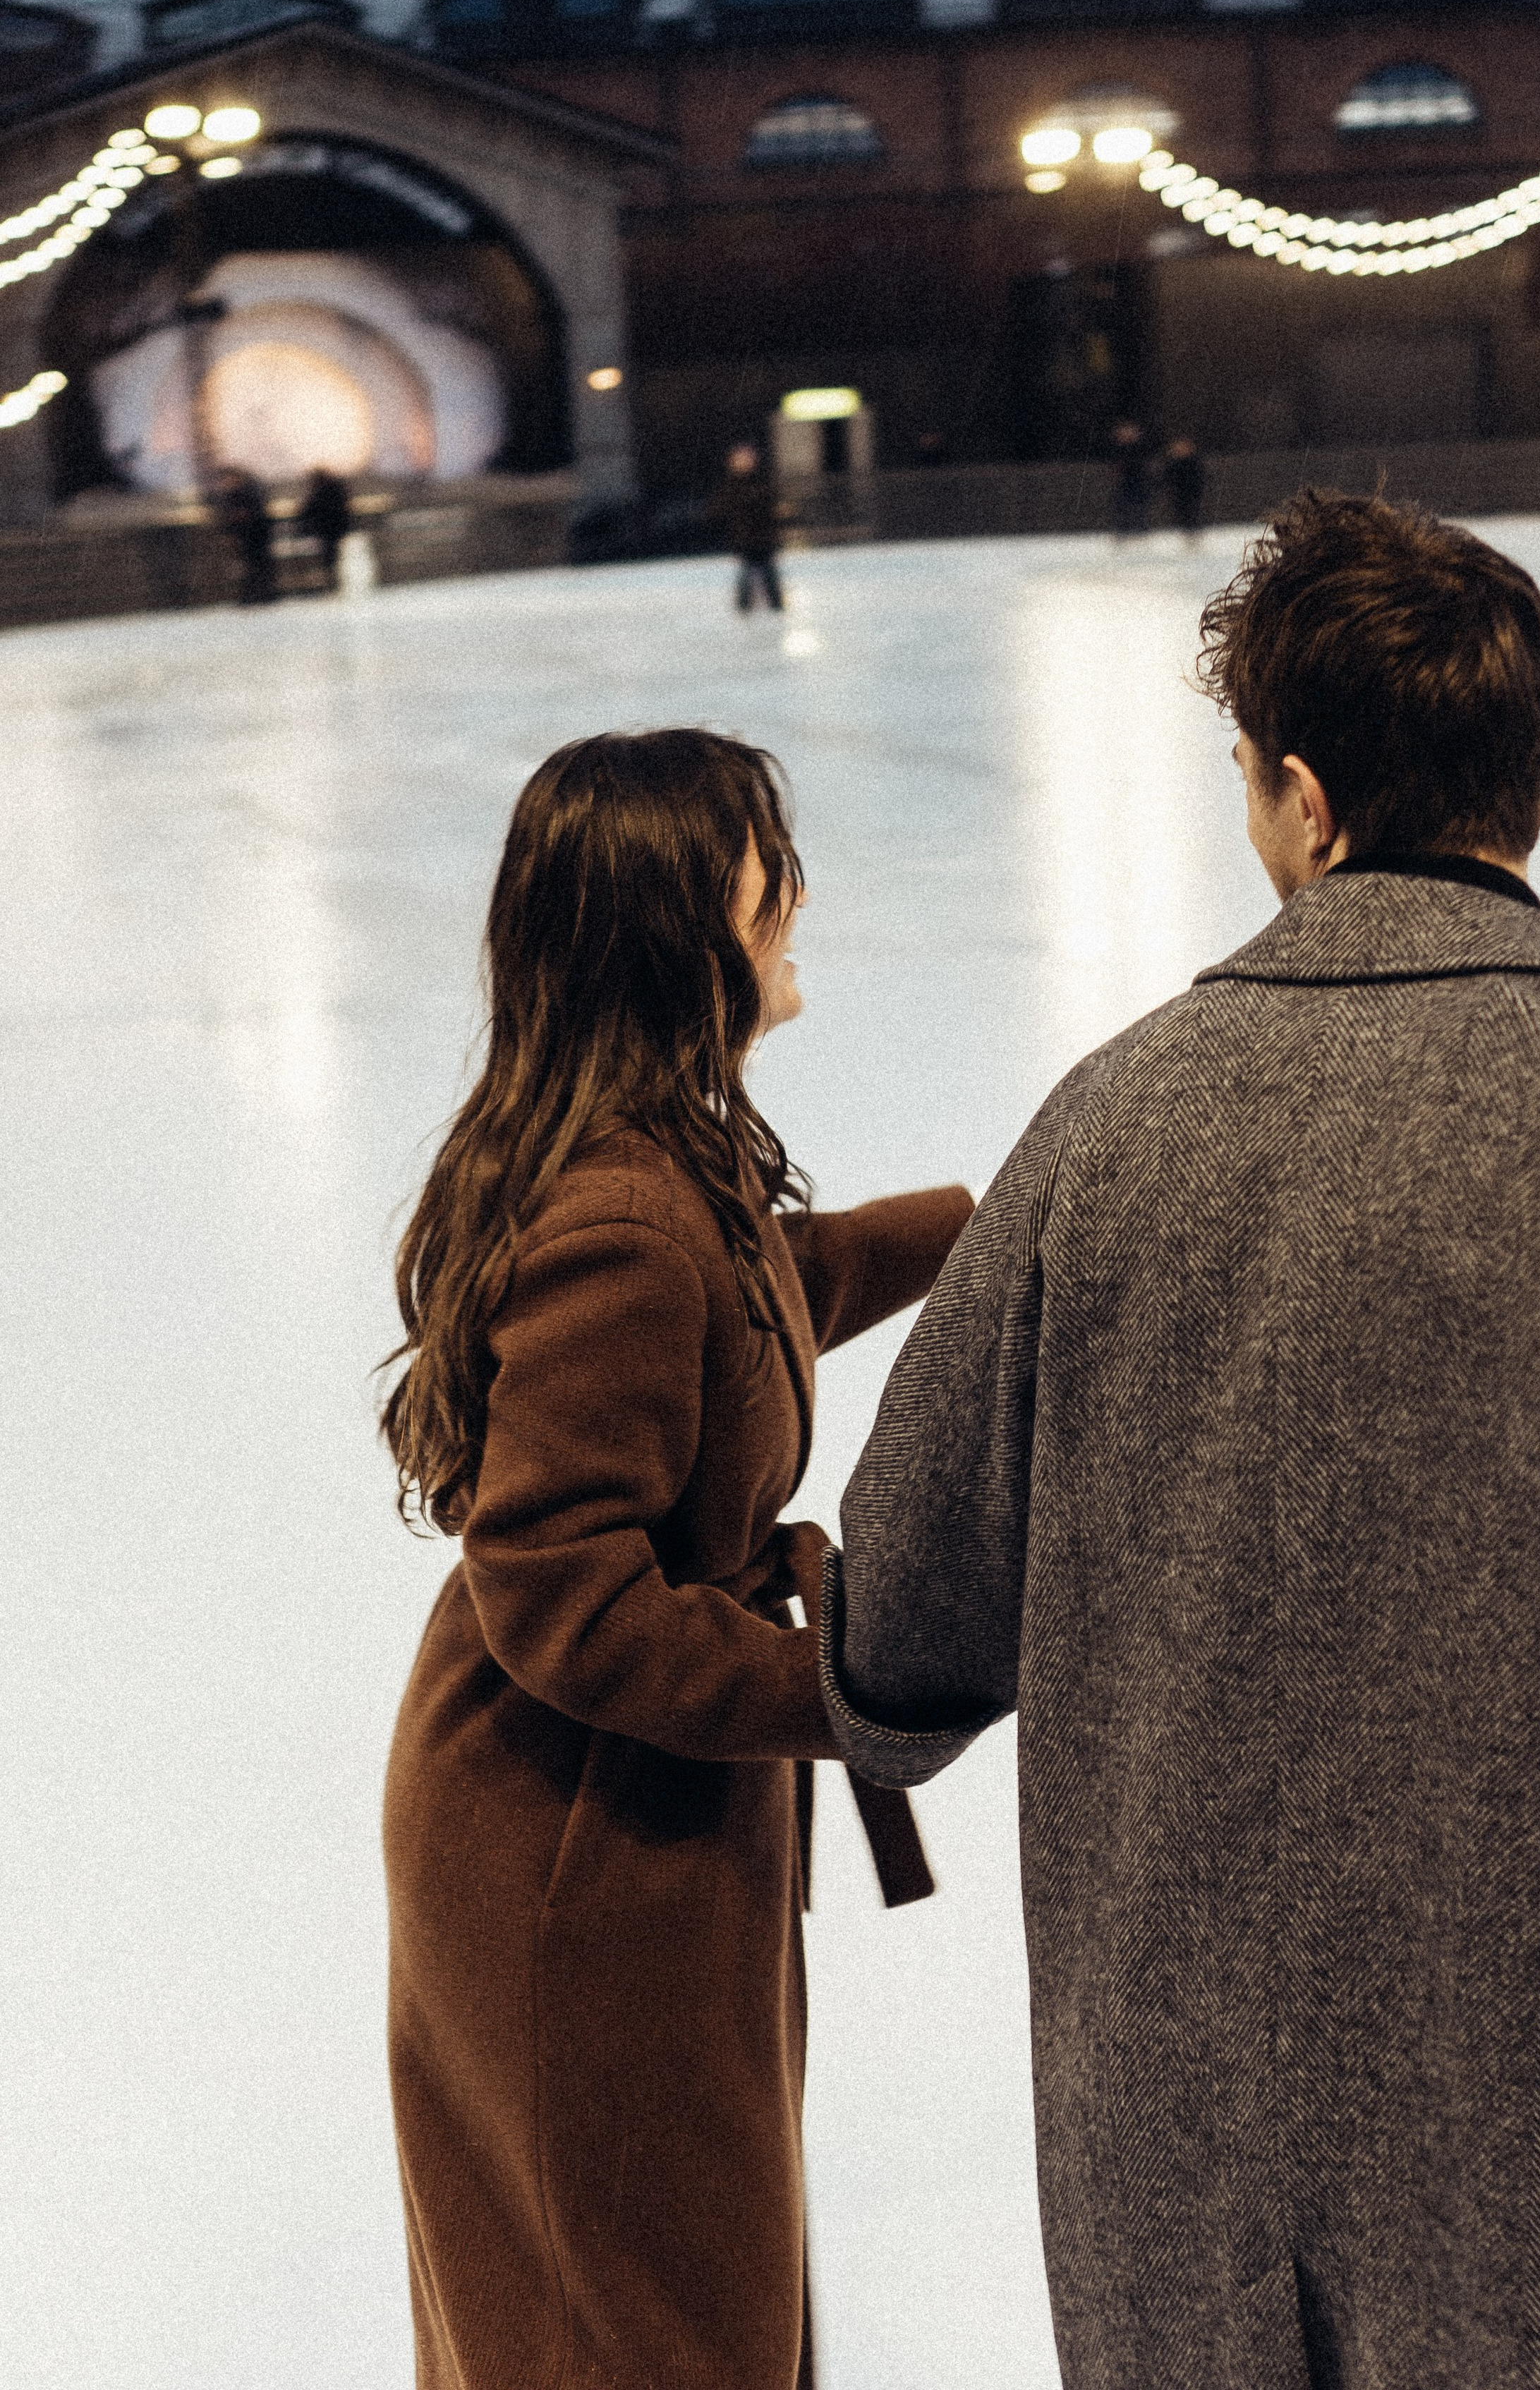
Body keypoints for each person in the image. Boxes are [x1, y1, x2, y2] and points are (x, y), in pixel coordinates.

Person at [818, 490, 1540, 2389]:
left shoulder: (1104, 1131)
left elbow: (904, 1627)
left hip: (1180, 2201)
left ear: (1292, 792)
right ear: (1526, 781)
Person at [380, 728, 971, 2390]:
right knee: (632, 2327)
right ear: (669, 927)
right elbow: (557, 1585)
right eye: (758, 866)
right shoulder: (620, 1215)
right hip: (577, 1853)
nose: (795, 894)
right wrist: (842, 1688)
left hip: (638, 1825)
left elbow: (755, 1294)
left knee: (663, 2300)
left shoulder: (660, 1169)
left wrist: (980, 1225)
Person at [713, 442, 786, 611]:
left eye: (747, 458)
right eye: (740, 459)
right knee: (747, 574)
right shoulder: (730, 486)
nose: (744, 462)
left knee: (769, 574)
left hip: (763, 539)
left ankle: (776, 606)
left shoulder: (761, 482)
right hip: (744, 539)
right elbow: (717, 510)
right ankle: (744, 607)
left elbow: (771, 507)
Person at [212, 466, 277, 605]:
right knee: (250, 566)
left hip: (255, 535)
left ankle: (262, 594)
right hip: (247, 536)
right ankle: (255, 594)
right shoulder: (237, 494)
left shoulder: (247, 493)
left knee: (258, 564)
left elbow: (254, 514)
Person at [293, 464, 353, 591]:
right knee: (334, 555)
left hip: (327, 528)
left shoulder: (320, 491)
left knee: (330, 555)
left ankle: (333, 581)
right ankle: (336, 580)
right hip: (337, 527)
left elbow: (309, 508)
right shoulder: (336, 487)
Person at [1108, 419, 1152, 541]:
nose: (1126, 434)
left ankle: (1141, 532)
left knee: (1140, 508)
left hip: (1139, 482)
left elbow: (1141, 465)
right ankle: (1122, 531)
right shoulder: (1115, 448)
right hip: (1123, 483)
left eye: (1130, 431)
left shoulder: (1141, 448)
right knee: (1122, 507)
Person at [1163, 434, 1206, 545]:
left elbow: (1201, 478)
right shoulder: (1172, 464)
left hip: (1192, 495)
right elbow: (1167, 479)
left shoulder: (1195, 463)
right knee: (1180, 517)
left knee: (1192, 517)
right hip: (1178, 497)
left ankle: (1193, 539)